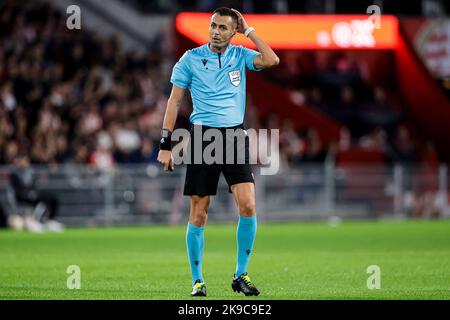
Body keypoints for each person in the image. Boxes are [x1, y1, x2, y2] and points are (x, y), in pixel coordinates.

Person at [157, 7, 279, 296]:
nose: (215, 31)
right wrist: (165, 144)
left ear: (233, 31)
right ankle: (197, 280)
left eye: (223, 27)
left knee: (248, 205)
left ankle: (241, 274)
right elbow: (174, 102)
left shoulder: (241, 55)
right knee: (199, 213)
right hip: (203, 138)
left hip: (235, 136)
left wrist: (249, 30)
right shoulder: (190, 59)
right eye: (213, 25)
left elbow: (272, 59)